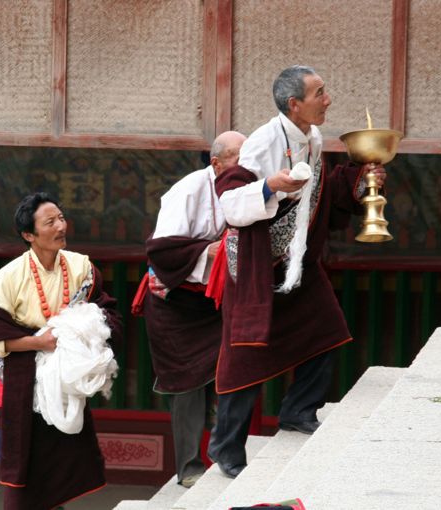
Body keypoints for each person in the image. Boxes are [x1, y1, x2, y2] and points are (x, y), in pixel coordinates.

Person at [206, 65, 386, 478]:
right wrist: (270, 186)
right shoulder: (262, 143)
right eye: (320, 93)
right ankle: (226, 448)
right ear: (295, 104)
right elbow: (231, 203)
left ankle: (298, 411)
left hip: (296, 259)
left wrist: (361, 181)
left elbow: (320, 192)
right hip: (255, 265)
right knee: (245, 358)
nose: (328, 99)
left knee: (326, 329)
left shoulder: (313, 138)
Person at [0, 192, 122, 510]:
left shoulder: (81, 265)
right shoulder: (8, 278)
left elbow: (106, 310)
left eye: (62, 218)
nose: (61, 226)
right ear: (29, 235)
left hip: (63, 383)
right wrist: (38, 343)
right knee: (25, 468)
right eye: (50, 222)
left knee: (60, 468)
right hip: (20, 382)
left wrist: (84, 331)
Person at [134, 131, 246, 488]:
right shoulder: (187, 191)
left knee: (230, 367)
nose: (246, 168)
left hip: (212, 301)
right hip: (174, 301)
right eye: (238, 160)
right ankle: (188, 466)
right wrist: (208, 251)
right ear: (217, 164)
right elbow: (163, 251)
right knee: (186, 383)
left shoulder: (245, 189)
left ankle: (224, 450)